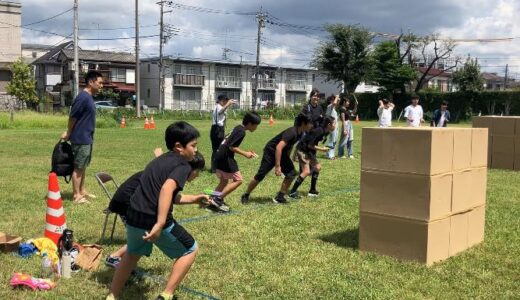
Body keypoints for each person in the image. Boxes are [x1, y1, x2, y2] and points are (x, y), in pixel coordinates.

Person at [107, 121, 207, 300]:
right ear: (179, 147)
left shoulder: (159, 160)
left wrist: (194, 199)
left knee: (131, 254)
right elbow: (166, 190)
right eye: (193, 145)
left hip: (133, 215)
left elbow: (164, 193)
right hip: (153, 219)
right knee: (190, 249)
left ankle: (112, 296)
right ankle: (167, 295)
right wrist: (160, 223)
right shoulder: (183, 166)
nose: (196, 150)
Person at [105, 150, 207, 269]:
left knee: (143, 234)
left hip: (131, 201)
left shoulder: (170, 171)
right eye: (198, 171)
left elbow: (172, 197)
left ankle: (116, 259)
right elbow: (166, 194)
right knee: (145, 232)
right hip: (127, 202)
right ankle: (115, 258)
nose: (197, 175)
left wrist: (196, 199)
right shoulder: (174, 174)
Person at [241, 113, 312, 204]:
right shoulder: (292, 132)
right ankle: (246, 195)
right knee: (261, 174)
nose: (312, 125)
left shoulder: (301, 133)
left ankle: (280, 197)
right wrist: (278, 166)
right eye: (310, 123)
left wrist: (286, 160)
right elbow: (278, 147)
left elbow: (289, 146)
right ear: (303, 123)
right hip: (271, 152)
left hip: (281, 153)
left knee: (291, 173)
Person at [61, 71, 103, 204]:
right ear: (91, 82)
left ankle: (82, 190)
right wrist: (68, 133)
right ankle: (76, 195)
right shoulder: (83, 97)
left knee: (83, 165)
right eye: (100, 82)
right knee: (78, 167)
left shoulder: (89, 97)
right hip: (80, 138)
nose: (102, 85)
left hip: (87, 138)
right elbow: (72, 117)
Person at [211, 112, 262, 211]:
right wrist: (245, 154)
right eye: (256, 125)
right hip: (225, 156)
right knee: (238, 180)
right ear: (250, 123)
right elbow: (231, 147)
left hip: (219, 154)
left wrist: (246, 152)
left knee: (224, 181)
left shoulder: (238, 127)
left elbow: (229, 143)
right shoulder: (241, 131)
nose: (256, 128)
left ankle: (212, 199)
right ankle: (218, 199)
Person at [289, 116, 336, 199]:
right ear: (329, 124)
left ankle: (312, 190)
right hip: (303, 150)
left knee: (317, 167)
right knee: (306, 171)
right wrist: (322, 149)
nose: (335, 125)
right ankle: (292, 192)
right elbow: (310, 145)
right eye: (334, 123)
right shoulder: (319, 131)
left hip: (309, 151)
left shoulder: (326, 131)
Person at [210, 95, 236, 172]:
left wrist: (228, 105)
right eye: (225, 100)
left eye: (227, 101)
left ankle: (215, 168)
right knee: (218, 149)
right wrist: (228, 104)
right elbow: (220, 112)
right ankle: (215, 168)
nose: (226, 102)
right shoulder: (218, 106)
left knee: (217, 149)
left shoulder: (219, 106)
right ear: (220, 100)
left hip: (218, 129)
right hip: (217, 129)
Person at [325, 95, 339, 159]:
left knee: (334, 140)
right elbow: (335, 103)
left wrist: (337, 98)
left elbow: (337, 102)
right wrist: (337, 97)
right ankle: (330, 155)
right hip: (331, 126)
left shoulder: (332, 108)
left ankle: (331, 154)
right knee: (331, 140)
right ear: (331, 100)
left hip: (335, 126)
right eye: (333, 99)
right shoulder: (329, 106)